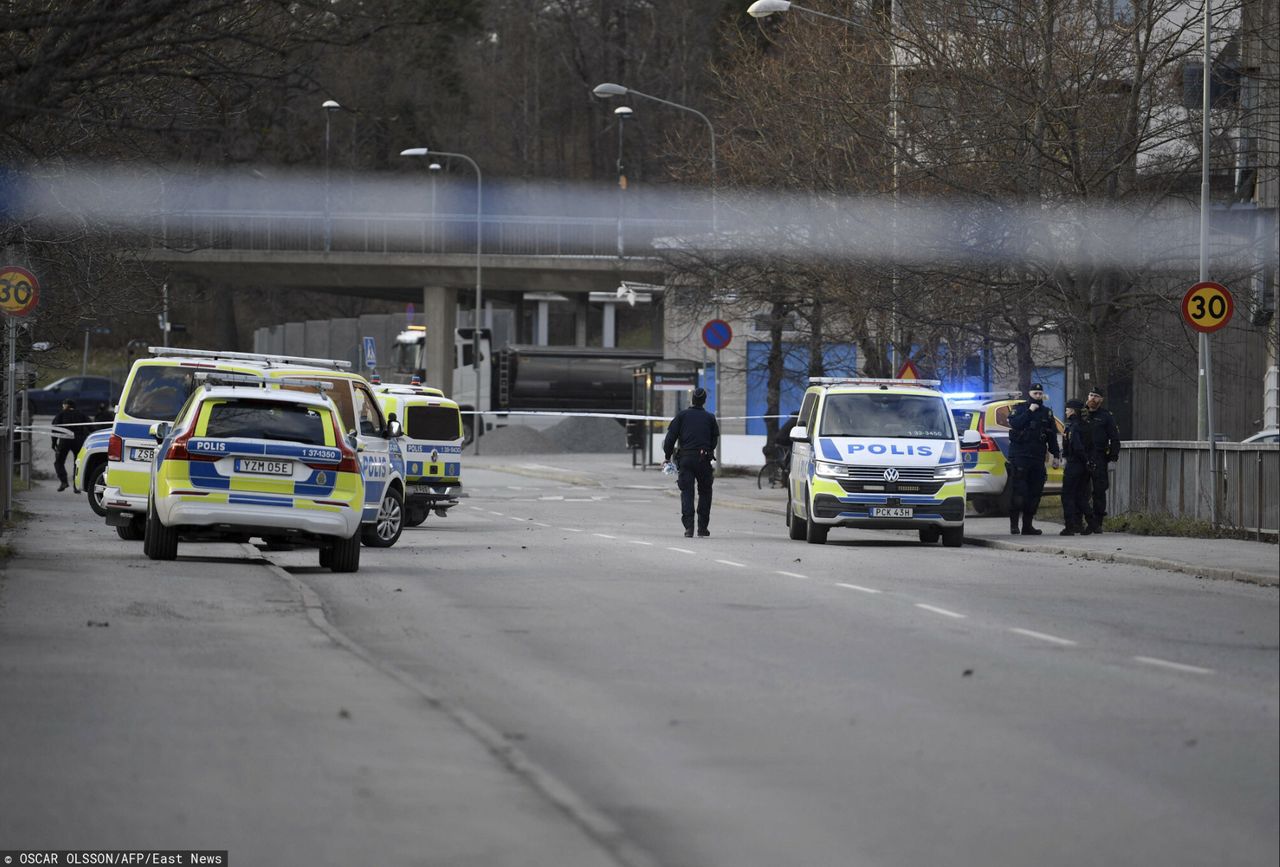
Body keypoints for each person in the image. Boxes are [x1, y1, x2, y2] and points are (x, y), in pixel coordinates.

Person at [662, 386, 720, 538]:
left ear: (692, 400)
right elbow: (715, 439)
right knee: (705, 492)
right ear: (704, 401)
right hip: (704, 460)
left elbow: (669, 439)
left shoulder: (682, 416)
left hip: (686, 459)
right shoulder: (710, 418)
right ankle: (702, 527)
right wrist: (708, 450)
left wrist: (667, 456)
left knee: (687, 492)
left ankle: (689, 528)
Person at [1006, 383, 1061, 535]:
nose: (1038, 396)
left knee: (1035, 492)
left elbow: (1051, 437)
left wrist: (1056, 455)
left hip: (1037, 458)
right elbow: (1015, 424)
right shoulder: (1020, 408)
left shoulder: (1047, 413)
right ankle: (1014, 525)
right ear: (1029, 393)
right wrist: (1029, 412)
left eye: (1040, 393)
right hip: (1020, 457)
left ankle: (1028, 526)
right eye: (1035, 393)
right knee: (1019, 492)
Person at [1080, 387, 1122, 534]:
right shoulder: (1081, 413)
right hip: (1082, 456)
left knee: (1099, 490)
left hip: (1099, 457)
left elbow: (1114, 438)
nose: (1092, 398)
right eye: (1091, 395)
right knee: (1080, 490)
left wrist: (1113, 458)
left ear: (1101, 400)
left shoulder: (1106, 416)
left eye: (1096, 396)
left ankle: (1097, 523)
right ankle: (1082, 521)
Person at [1059, 399, 1091, 535]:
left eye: (1067, 410)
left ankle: (1070, 526)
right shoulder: (1086, 425)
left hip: (1074, 464)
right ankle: (1092, 523)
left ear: (1072, 410)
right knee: (1081, 496)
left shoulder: (1073, 426)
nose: (1065, 412)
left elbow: (1076, 447)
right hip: (1084, 466)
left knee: (1067, 495)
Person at [51, 399, 90, 492]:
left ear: (65, 405)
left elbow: (55, 429)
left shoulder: (61, 414)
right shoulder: (81, 414)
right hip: (78, 441)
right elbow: (90, 426)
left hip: (65, 440)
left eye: (63, 405)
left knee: (59, 462)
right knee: (78, 463)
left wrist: (54, 442)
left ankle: (64, 481)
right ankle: (76, 486)